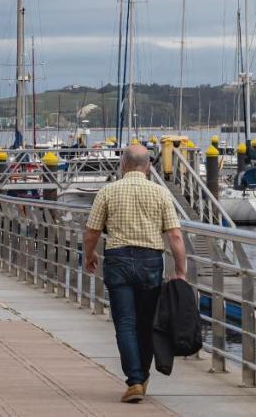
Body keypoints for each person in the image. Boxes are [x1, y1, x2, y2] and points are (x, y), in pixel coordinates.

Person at [83, 144, 188, 404]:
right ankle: (141, 376)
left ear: (123, 165)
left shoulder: (108, 191)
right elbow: (174, 235)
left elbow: (92, 232)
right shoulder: (160, 193)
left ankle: (135, 380)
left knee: (125, 323)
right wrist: (181, 270)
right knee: (146, 323)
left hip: (117, 259)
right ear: (149, 166)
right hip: (151, 260)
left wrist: (89, 256)